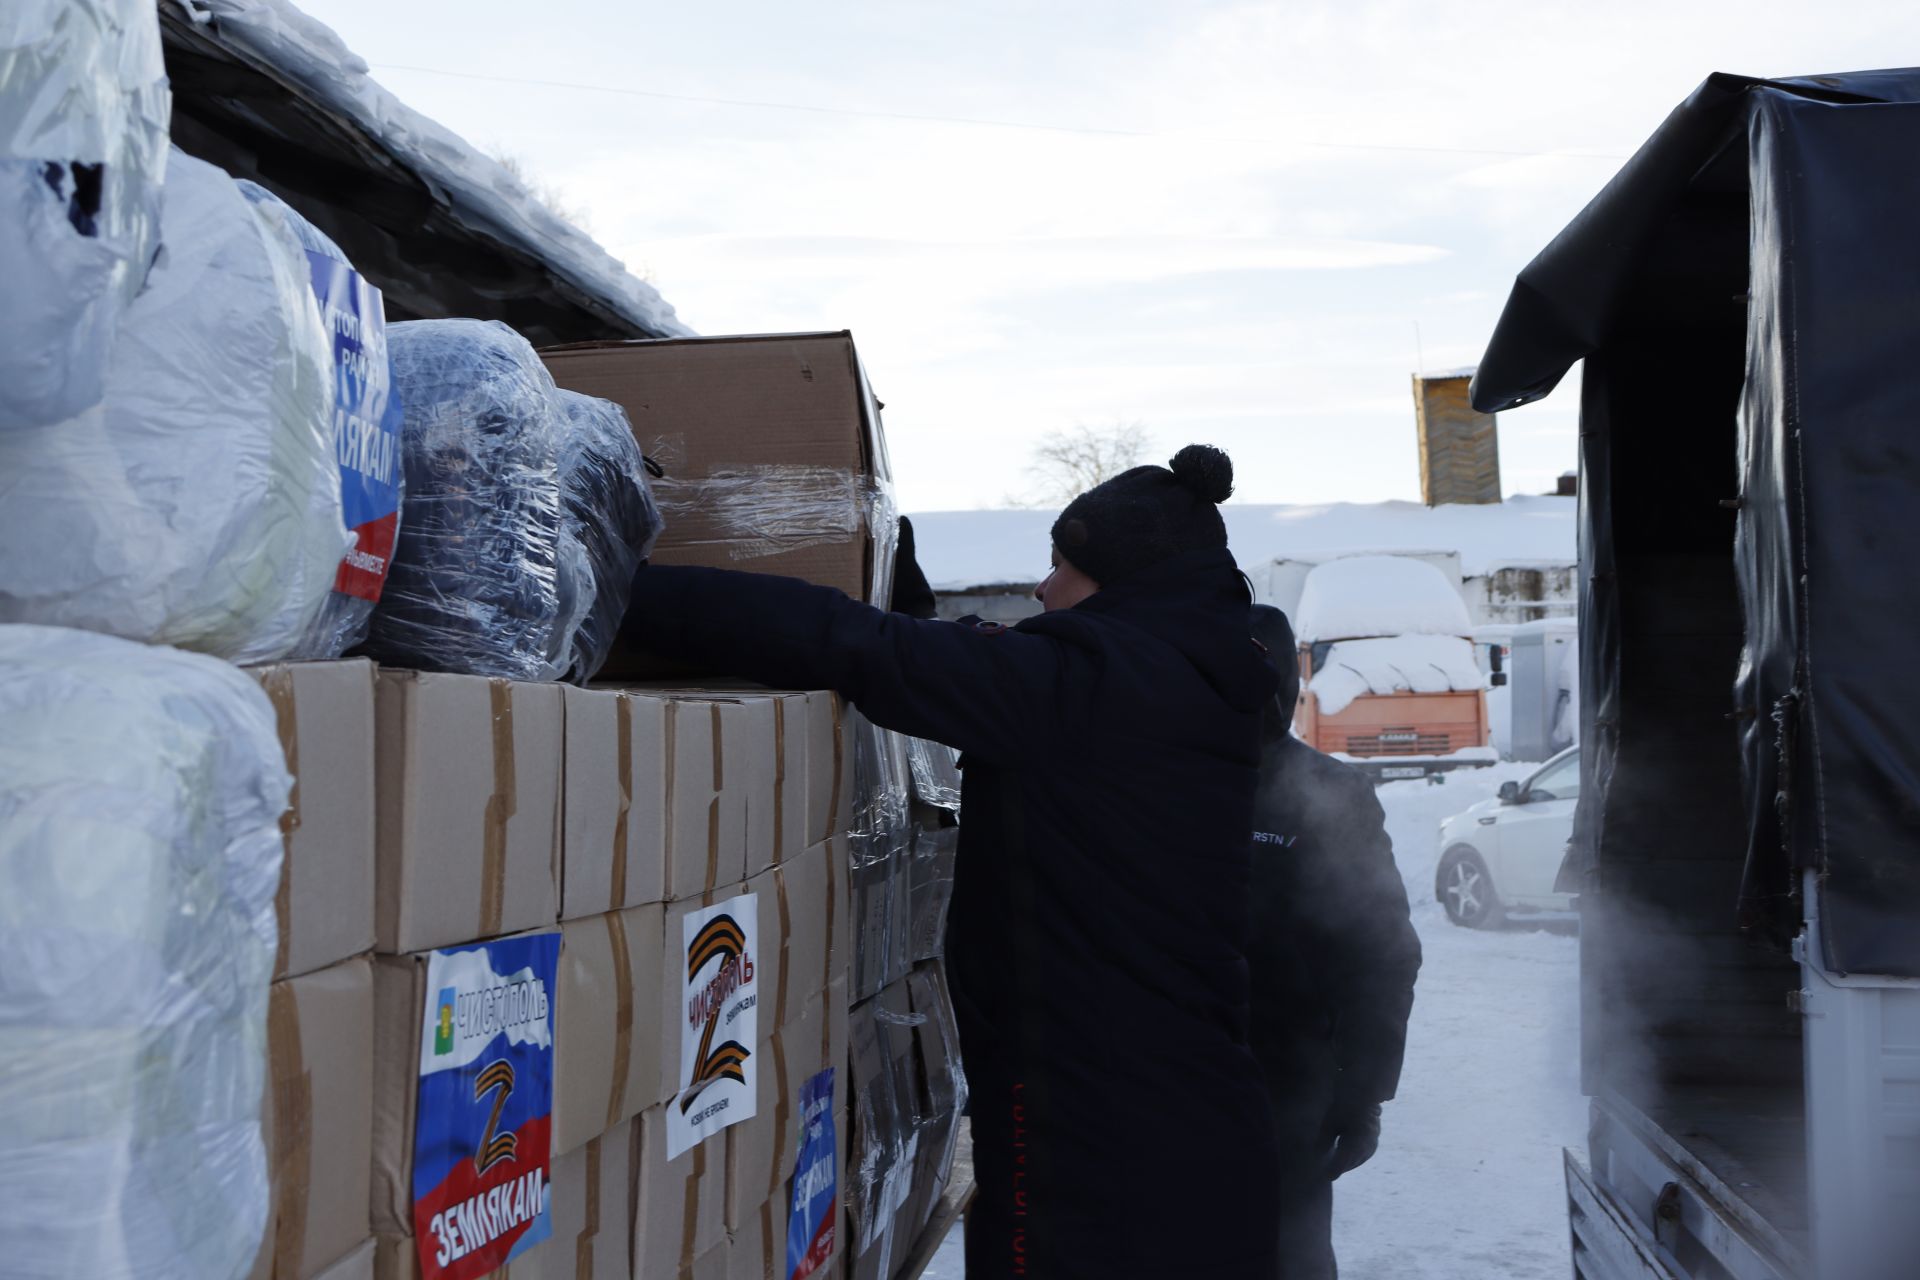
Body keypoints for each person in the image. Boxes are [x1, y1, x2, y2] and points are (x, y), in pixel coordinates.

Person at [620, 446, 1281, 1279]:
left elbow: (860, 648)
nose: (1044, 587)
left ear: (1122, 584)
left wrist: (628, 594)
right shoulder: (1175, 677)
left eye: (1062, 565)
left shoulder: (1092, 685)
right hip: (1171, 1112)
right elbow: (955, 660)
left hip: (1099, 1137)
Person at [1245, 604, 1421, 1280]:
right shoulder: (1153, 784)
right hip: (1213, 1091)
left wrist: (1363, 1094)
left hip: (1281, 1093)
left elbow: (1378, 952)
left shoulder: (1327, 794)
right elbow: (1382, 952)